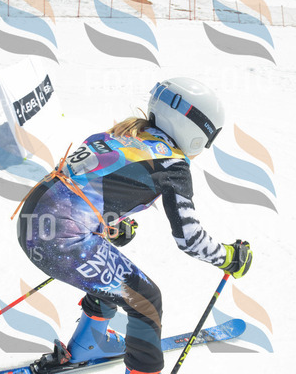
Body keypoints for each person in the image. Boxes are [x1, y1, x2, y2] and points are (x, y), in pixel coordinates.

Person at [16, 78, 253, 374]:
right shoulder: (172, 164)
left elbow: (85, 188)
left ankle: (90, 342)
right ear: (196, 132)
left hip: (32, 223)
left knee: (109, 274)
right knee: (146, 302)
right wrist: (229, 258)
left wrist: (112, 225)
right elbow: (189, 238)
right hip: (59, 240)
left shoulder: (125, 135)